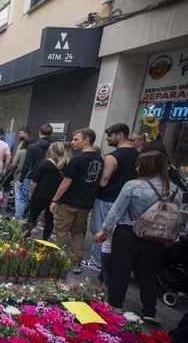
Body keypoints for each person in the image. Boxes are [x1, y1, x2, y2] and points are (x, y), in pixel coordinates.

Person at [95, 151, 182, 324]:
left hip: (129, 232)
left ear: (146, 166)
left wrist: (104, 230)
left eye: (139, 164)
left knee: (121, 268)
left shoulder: (133, 185)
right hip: (158, 236)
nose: (136, 168)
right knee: (148, 272)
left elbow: (116, 211)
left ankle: (116, 304)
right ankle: (150, 310)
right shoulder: (175, 189)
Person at [83, 123, 139, 272]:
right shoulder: (138, 155)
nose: (107, 139)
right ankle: (108, 261)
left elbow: (103, 182)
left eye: (110, 135)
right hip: (128, 201)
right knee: (116, 234)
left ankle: (97, 261)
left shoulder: (112, 157)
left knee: (100, 230)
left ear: (120, 135)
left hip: (107, 198)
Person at [50, 128, 104, 274]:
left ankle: (58, 262)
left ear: (86, 140)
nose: (72, 142)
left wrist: (55, 200)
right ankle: (76, 263)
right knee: (78, 233)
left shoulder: (77, 159)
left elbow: (66, 182)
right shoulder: (99, 159)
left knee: (61, 232)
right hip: (85, 204)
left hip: (69, 203)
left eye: (76, 139)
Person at [26, 141, 72, 240]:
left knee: (32, 216)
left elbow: (35, 181)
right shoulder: (67, 164)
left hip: (40, 194)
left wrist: (30, 193)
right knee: (50, 220)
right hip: (55, 196)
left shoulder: (45, 162)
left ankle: (25, 237)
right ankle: (44, 241)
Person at [17, 124, 53, 219]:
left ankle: (18, 220)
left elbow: (27, 166)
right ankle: (34, 223)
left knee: (22, 199)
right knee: (38, 202)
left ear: (39, 132)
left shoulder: (33, 147)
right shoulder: (53, 147)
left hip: (31, 176)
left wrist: (21, 180)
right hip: (47, 178)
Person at [11, 137, 32, 218]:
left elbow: (14, 164)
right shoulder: (34, 152)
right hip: (31, 178)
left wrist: (8, 170)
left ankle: (18, 216)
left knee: (19, 198)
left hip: (19, 176)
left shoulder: (20, 152)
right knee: (26, 197)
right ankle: (25, 213)